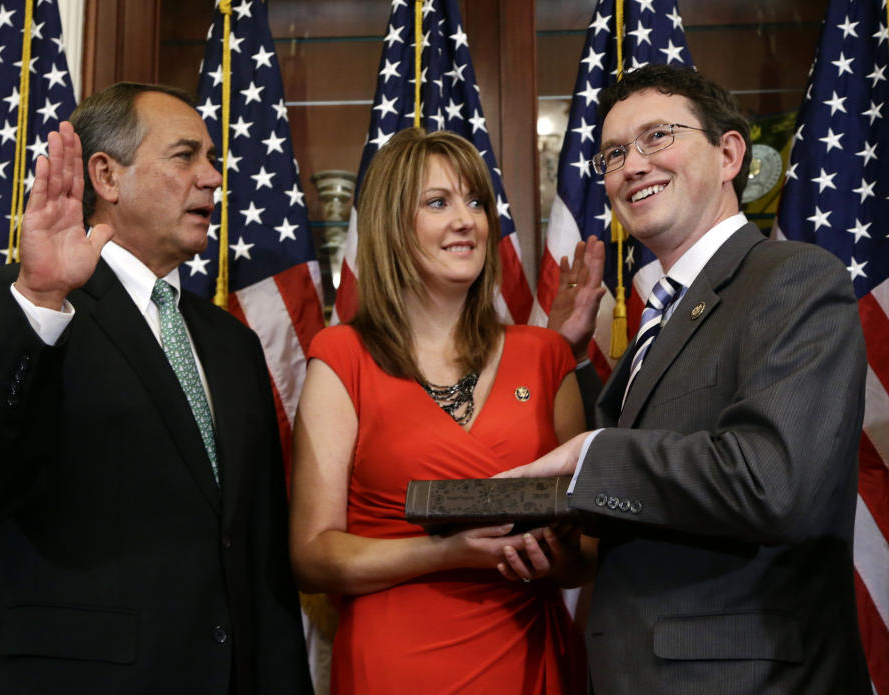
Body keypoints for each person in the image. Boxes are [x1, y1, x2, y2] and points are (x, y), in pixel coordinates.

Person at [0, 83, 312, 695]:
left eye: (212, 159)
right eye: (186, 156)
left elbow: (258, 556)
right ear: (105, 175)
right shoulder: (18, 303)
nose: (212, 178)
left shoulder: (232, 344)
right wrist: (42, 301)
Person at [503, 64, 871, 694]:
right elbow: (659, 506)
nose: (633, 164)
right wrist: (574, 552)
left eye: (657, 137)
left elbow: (772, 481)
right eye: (615, 152)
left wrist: (592, 454)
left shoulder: (792, 278)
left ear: (729, 154)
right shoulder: (664, 313)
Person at [289, 127, 592, 695]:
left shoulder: (547, 355)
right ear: (390, 227)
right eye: (438, 202)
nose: (467, 220)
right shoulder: (342, 356)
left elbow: (586, 555)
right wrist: (447, 551)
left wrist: (554, 554)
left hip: (529, 656)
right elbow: (312, 555)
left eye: (476, 201)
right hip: (395, 662)